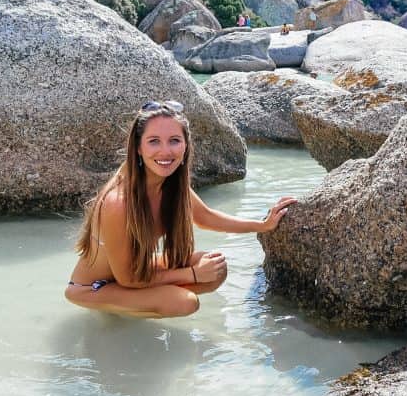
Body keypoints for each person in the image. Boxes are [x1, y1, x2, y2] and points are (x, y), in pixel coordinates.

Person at [65, 100, 296, 318]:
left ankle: (141, 303)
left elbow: (205, 217)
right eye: (154, 141)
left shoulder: (172, 186)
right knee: (184, 301)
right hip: (96, 287)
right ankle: (125, 313)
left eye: (174, 140)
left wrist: (263, 225)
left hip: (137, 271)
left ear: (185, 145)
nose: (166, 151)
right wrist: (192, 275)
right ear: (138, 148)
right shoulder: (119, 202)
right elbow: (128, 278)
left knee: (215, 266)